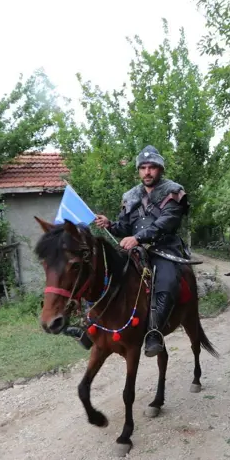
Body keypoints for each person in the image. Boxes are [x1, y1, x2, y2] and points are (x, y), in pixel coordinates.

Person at [94, 145, 189, 357]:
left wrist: (137, 238)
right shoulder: (131, 196)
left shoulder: (174, 192)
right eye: (143, 167)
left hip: (164, 249)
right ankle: (93, 324)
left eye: (152, 167)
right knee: (105, 274)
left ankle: (154, 332)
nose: (147, 172)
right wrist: (110, 225)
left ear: (160, 170)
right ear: (138, 170)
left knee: (167, 281)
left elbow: (167, 222)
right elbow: (124, 227)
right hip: (135, 251)